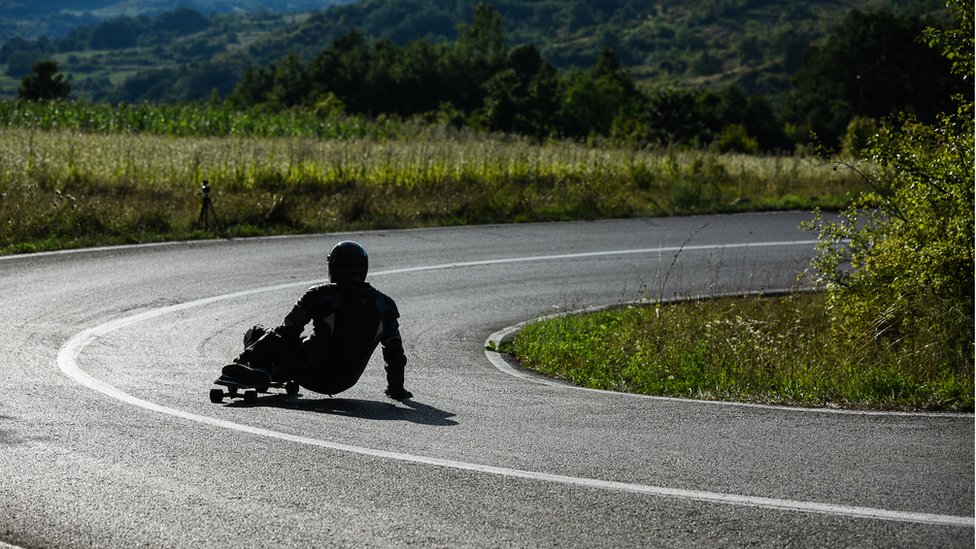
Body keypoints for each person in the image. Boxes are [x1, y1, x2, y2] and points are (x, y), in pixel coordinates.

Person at [220, 240, 413, 400]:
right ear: (363, 267)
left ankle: (261, 369)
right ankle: (265, 370)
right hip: (347, 380)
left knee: (257, 333)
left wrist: (244, 356)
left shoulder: (320, 294)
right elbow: (394, 352)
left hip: (311, 370)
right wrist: (396, 389)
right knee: (298, 343)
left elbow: (285, 332)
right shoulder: (386, 305)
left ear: (333, 265)